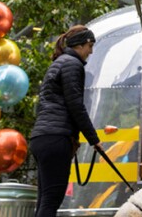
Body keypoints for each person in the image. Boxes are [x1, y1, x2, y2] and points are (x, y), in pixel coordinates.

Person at [29, 25, 100, 217]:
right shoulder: (72, 64)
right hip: (56, 139)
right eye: (90, 46)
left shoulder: (58, 63)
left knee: (44, 201)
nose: (91, 52)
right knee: (51, 201)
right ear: (82, 44)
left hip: (40, 137)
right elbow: (75, 105)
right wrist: (94, 139)